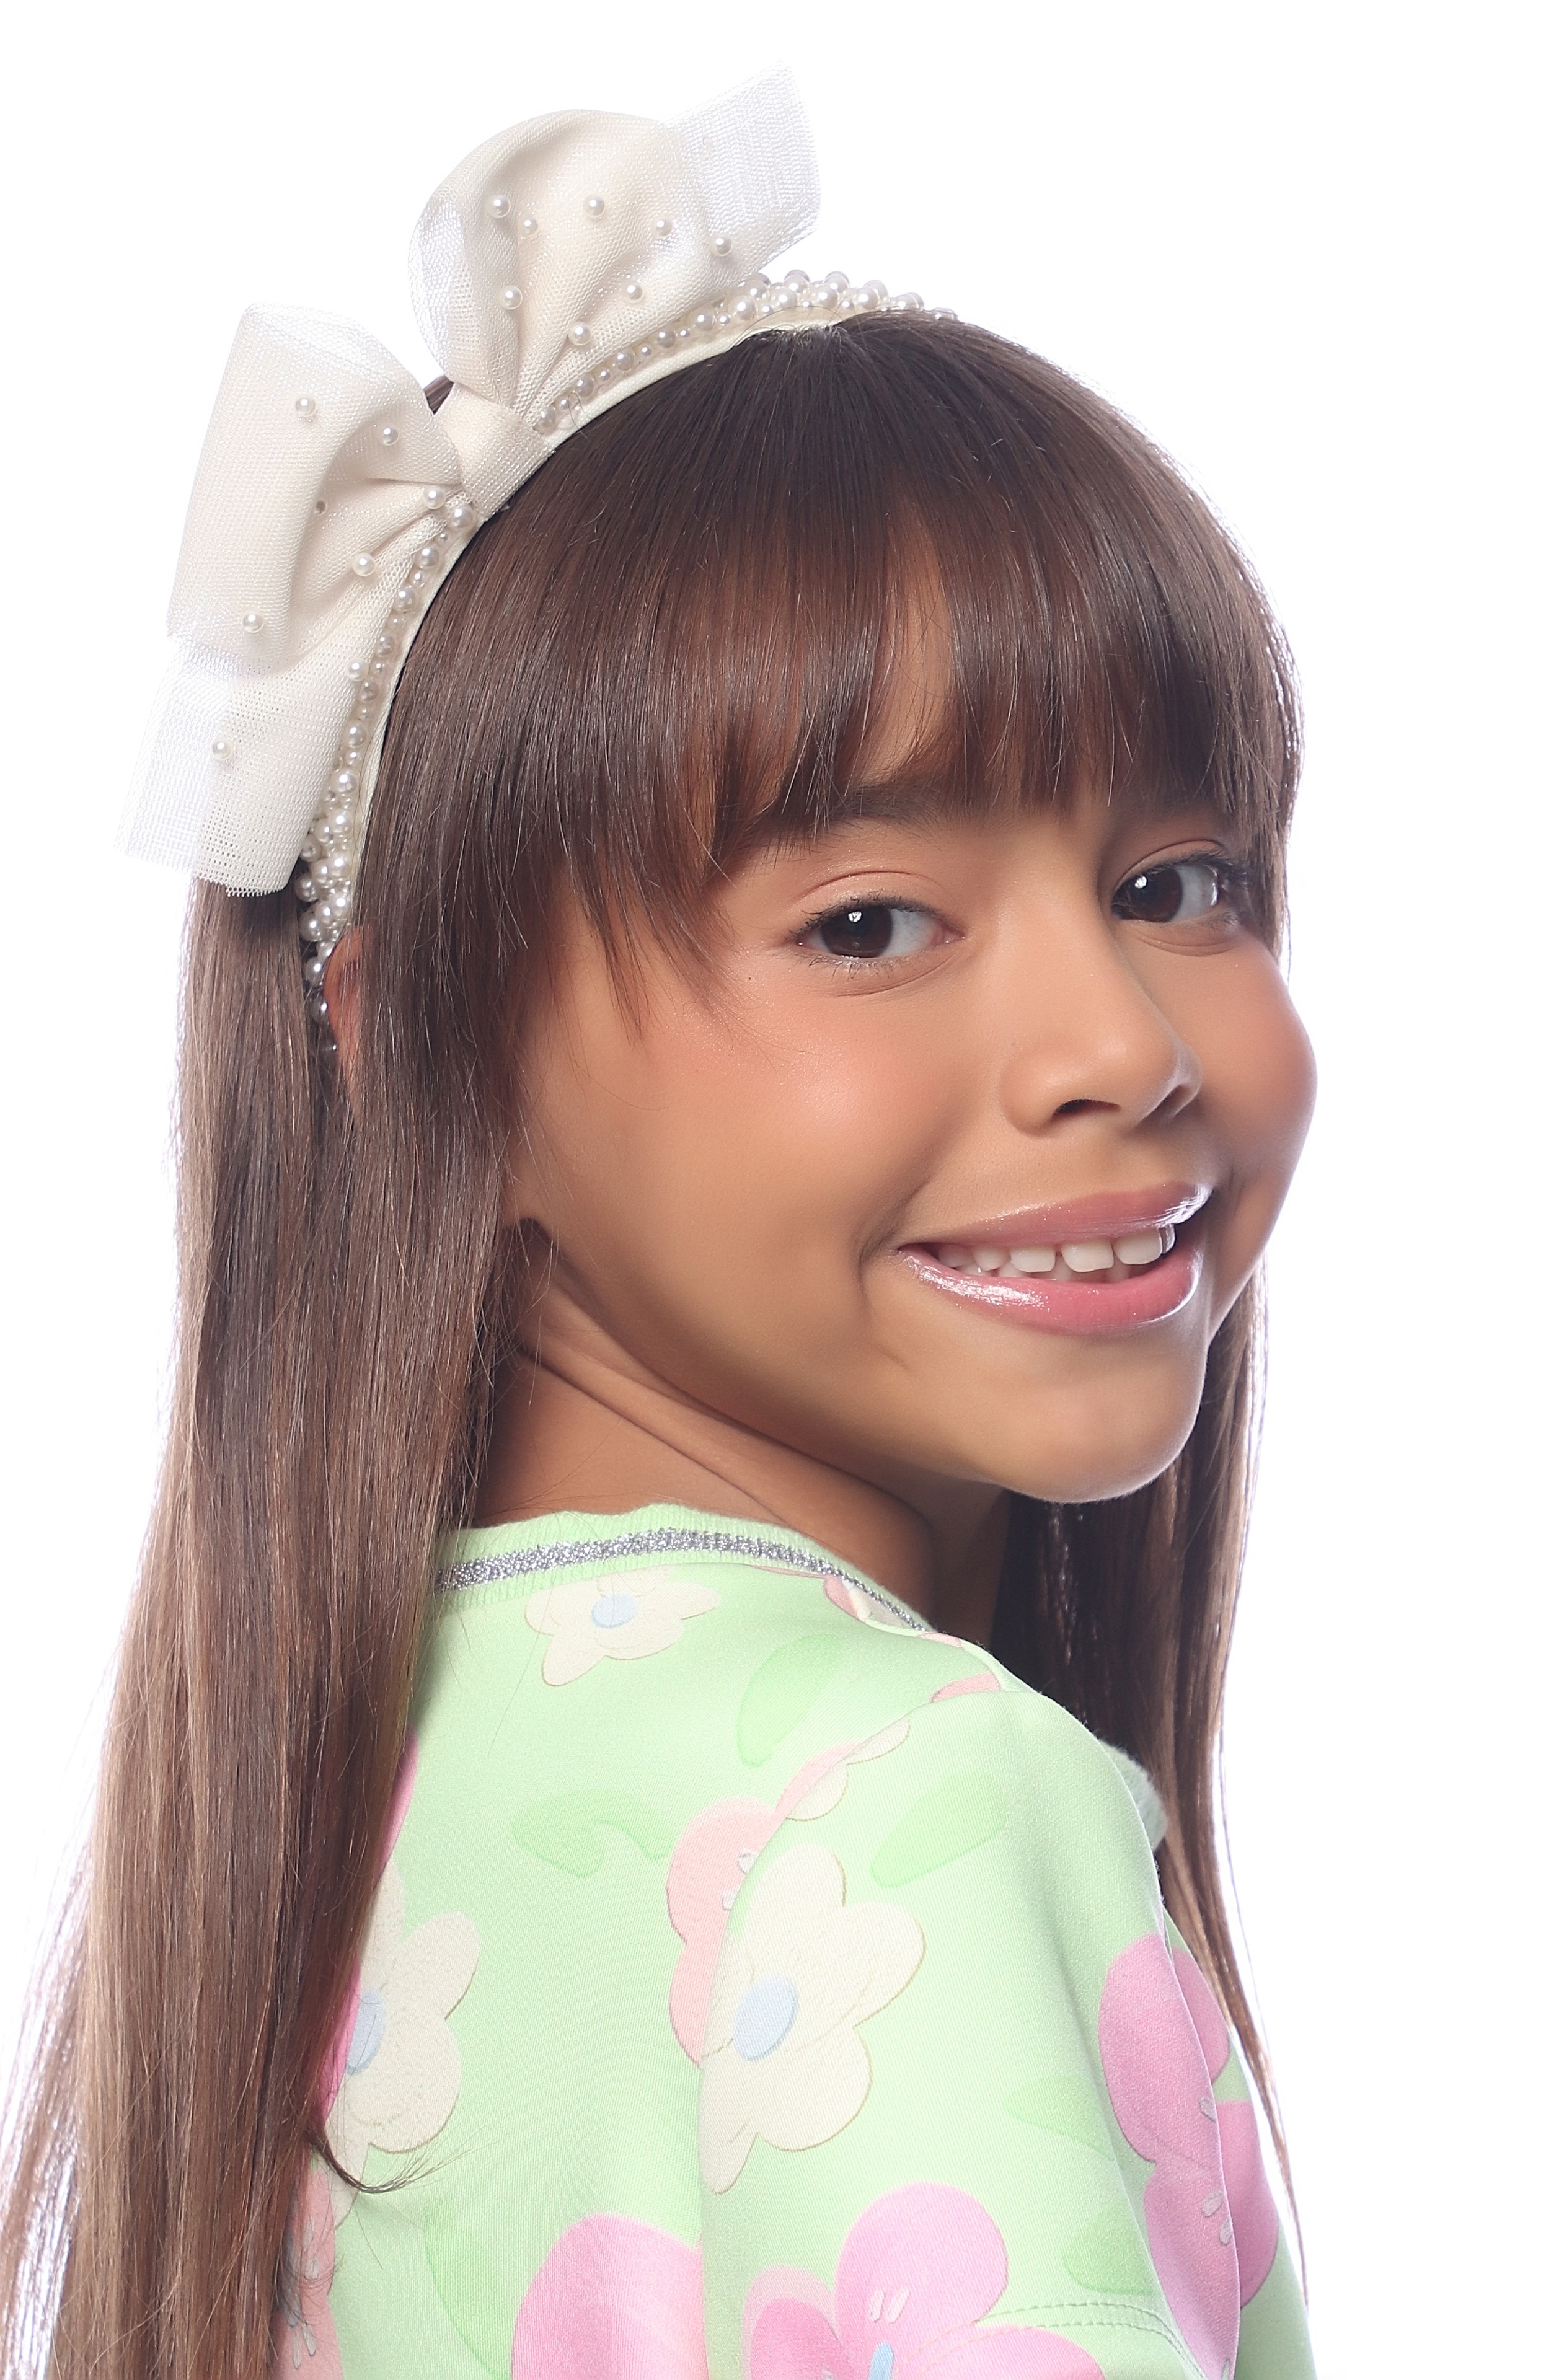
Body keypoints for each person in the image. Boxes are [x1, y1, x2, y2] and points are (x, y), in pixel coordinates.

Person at [0, 73, 1318, 2380]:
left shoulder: (336, 1813)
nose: (1114, 1042)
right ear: (431, 1042)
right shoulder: (903, 1801)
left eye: (1175, 882)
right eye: (869, 921)